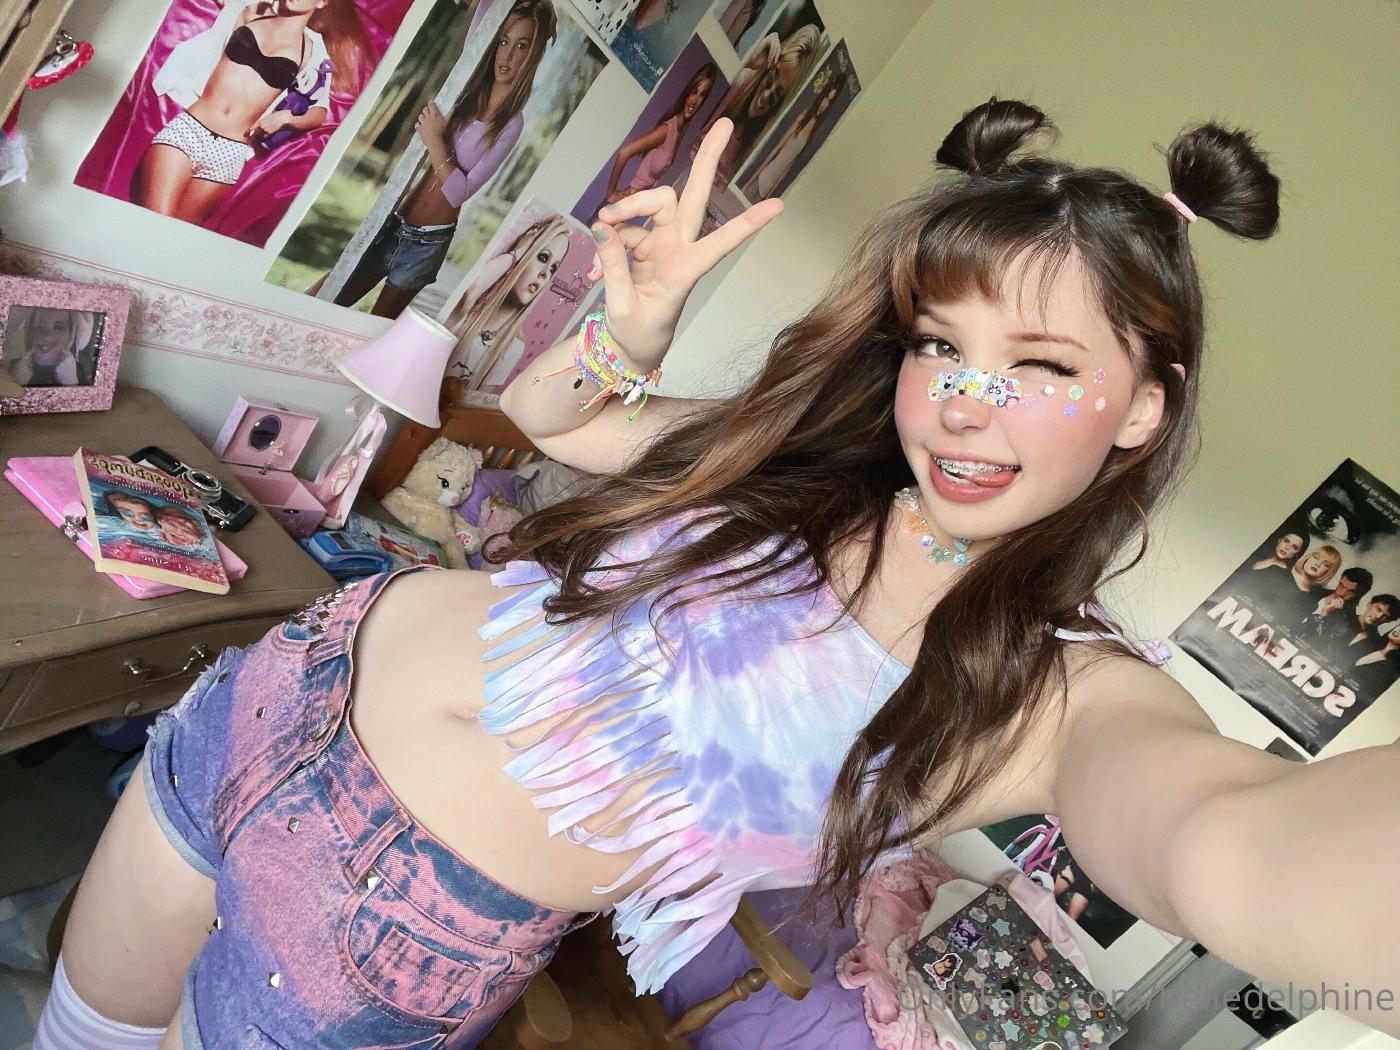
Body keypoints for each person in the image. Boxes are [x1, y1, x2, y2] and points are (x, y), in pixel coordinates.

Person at [41, 102, 1400, 1049]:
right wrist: (627, 334)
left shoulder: (1051, 692)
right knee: (74, 1024)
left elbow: (1229, 843)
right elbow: (559, 418)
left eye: (1040, 366)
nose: (964, 404)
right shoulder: (803, 470)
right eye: (942, 346)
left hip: (382, 922)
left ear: (1143, 407)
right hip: (290, 688)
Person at [329, 0, 556, 318]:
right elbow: (483, 16)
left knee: (372, 327)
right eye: (504, 41)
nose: (507, 55)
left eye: (522, 46)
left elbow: (459, 192)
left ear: (534, 54)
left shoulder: (511, 124)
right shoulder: (468, 88)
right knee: (327, 297)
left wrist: (435, 142)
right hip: (396, 222)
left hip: (426, 245)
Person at [139, 0, 371, 226]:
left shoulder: (313, 51)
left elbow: (318, 112)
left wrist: (284, 118)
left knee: (177, 238)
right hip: (189, 130)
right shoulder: (252, 10)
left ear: (322, 3)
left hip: (229, 154)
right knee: (153, 225)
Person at [440, 214, 573, 401]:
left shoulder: (514, 347)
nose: (545, 274)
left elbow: (474, 402)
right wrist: (517, 253)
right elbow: (474, 287)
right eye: (543, 258)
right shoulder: (468, 312)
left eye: (553, 268)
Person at [595, 62, 717, 217]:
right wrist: (611, 194)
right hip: (617, 206)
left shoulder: (678, 134)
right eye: (694, 92)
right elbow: (625, 152)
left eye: (702, 95)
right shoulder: (667, 130)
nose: (695, 100)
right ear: (687, 94)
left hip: (629, 209)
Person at [705, 22, 823, 176]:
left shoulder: (757, 147)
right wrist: (749, 61)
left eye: (775, 97)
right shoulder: (737, 84)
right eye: (770, 79)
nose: (763, 100)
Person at [741, 67, 848, 201]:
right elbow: (775, 151)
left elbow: (787, 169)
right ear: (822, 96)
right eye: (826, 97)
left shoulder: (813, 134)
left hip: (767, 190)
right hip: (761, 179)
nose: (825, 103)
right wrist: (749, 182)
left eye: (830, 101)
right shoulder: (802, 119)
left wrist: (769, 196)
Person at [3, 307, 93, 387]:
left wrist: (71, 382)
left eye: (58, 327)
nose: (47, 337)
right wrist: (16, 382)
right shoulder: (11, 367)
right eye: (40, 326)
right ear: (30, 332)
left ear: (70, 335)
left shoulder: (78, 371)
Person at [1298, 565, 1372, 652]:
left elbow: (1323, 646)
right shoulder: (1316, 591)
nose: (1342, 593)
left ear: (1360, 594)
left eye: (1350, 591)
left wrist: (1324, 616)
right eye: (1341, 585)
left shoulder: (1350, 621)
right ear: (1340, 580)